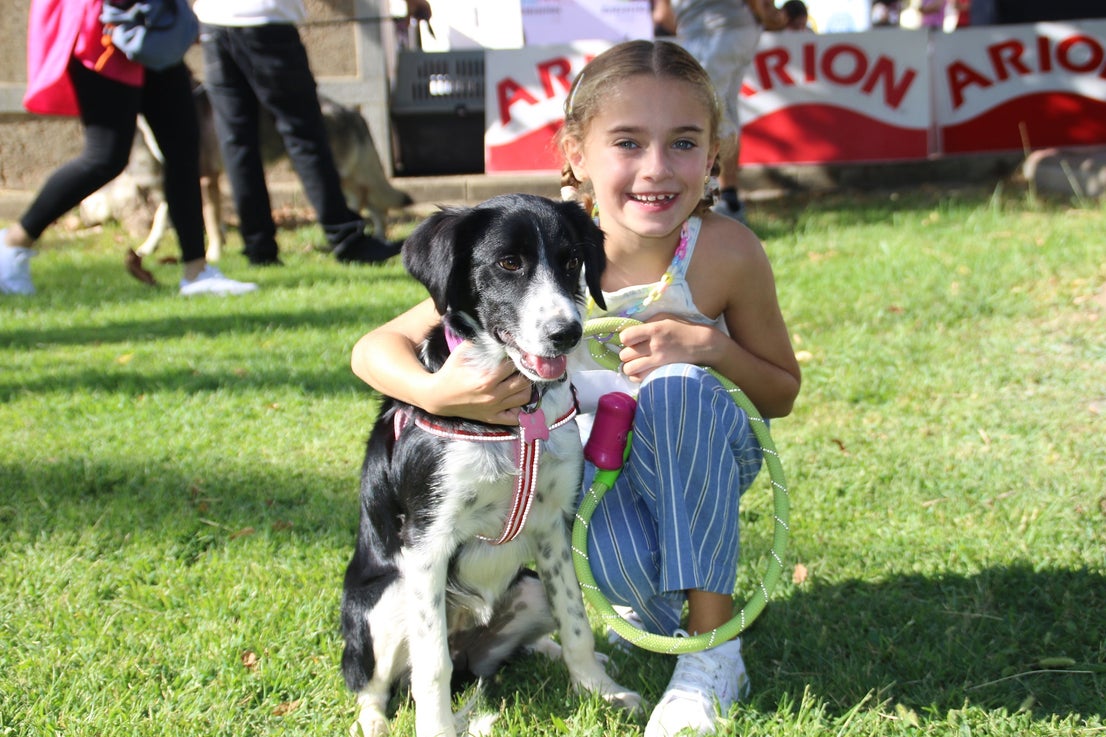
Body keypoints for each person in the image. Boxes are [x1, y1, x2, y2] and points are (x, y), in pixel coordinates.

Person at [350, 39, 801, 737]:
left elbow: (780, 392)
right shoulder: (543, 241)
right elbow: (373, 348)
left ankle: (712, 653)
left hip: (701, 454)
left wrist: (709, 346)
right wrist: (436, 395)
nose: (656, 168)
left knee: (676, 389)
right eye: (628, 141)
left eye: (683, 142)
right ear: (575, 153)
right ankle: (648, 613)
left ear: (715, 153)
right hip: (597, 484)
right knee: (597, 542)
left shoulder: (725, 252)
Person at [1, 0, 257, 297]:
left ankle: (197, 272)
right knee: (105, 157)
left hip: (154, 25)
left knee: (184, 148)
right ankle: (14, 242)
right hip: (103, 32)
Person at [192, 0, 431, 267]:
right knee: (304, 133)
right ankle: (345, 238)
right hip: (265, 21)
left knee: (237, 142)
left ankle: (259, 248)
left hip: (213, 22)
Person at [653, 0, 788, 224]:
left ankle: (711, 199)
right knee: (721, 111)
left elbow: (663, 14)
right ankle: (726, 197)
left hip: (716, 31)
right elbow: (664, 13)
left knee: (705, 112)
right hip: (726, 30)